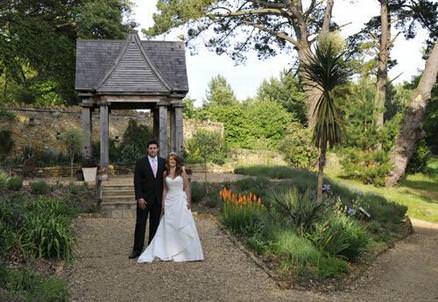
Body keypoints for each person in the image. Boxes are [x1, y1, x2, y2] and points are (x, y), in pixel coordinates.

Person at [137, 152, 204, 263]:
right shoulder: (165, 173)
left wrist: (188, 201)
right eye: (170, 160)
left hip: (180, 200)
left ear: (176, 161)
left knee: (182, 224)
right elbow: (165, 189)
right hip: (170, 201)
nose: (172, 161)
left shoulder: (181, 171)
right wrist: (163, 203)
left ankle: (187, 252)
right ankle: (168, 250)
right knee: (168, 225)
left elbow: (187, 186)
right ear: (168, 162)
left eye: (174, 160)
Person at [129, 140, 166, 259]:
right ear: (147, 149)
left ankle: (152, 248)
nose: (153, 150)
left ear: (158, 149)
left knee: (155, 224)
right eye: (150, 148)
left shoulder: (163, 162)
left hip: (157, 199)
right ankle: (137, 249)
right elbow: (137, 181)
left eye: (155, 148)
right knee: (140, 224)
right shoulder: (141, 162)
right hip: (143, 200)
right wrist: (139, 197)